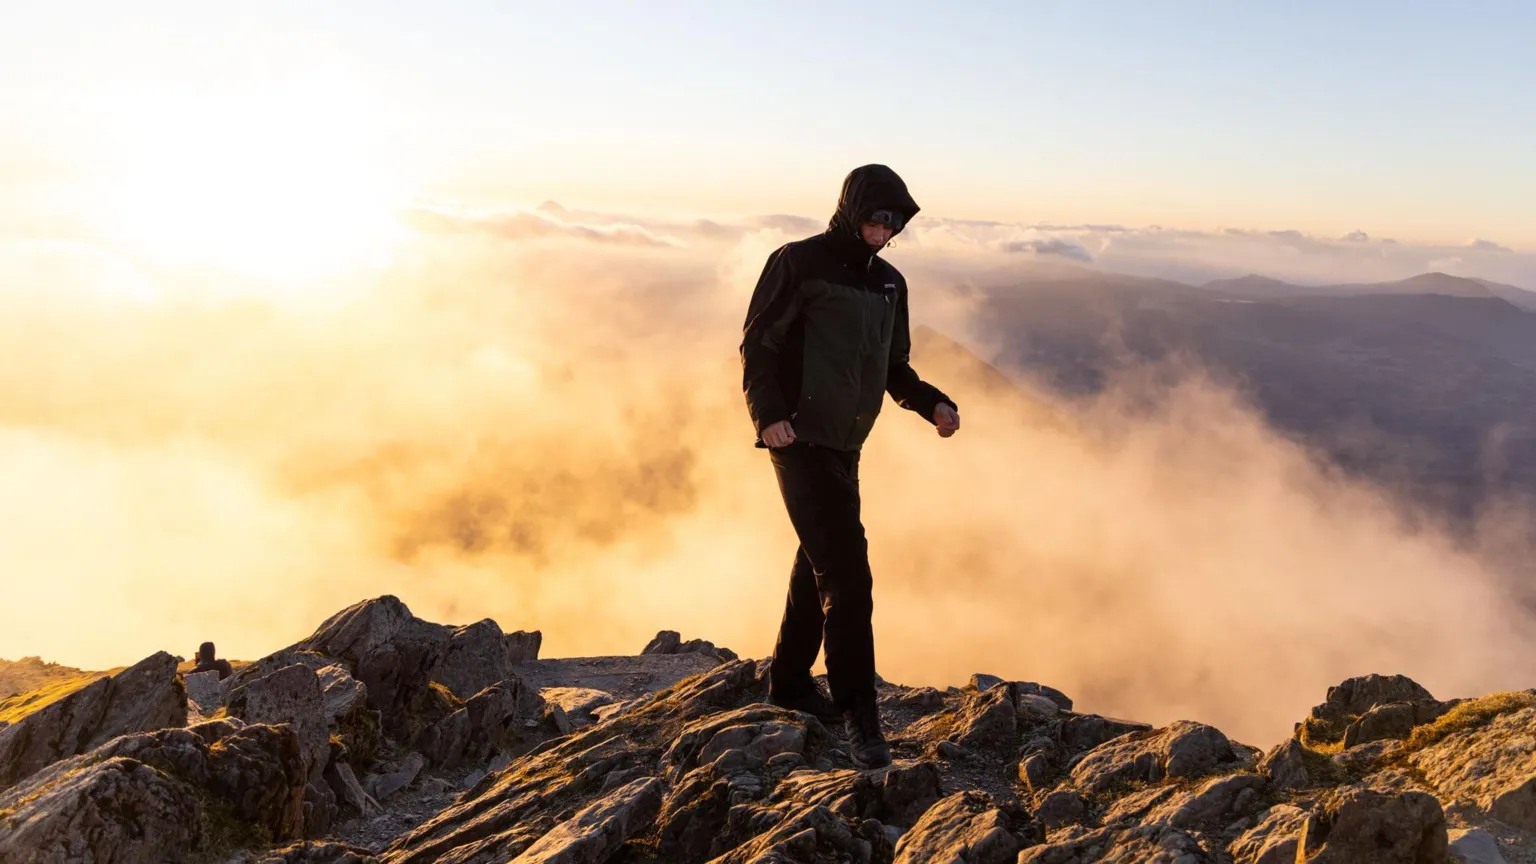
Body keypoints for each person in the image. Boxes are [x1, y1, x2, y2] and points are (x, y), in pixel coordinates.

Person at [740, 164, 960, 768]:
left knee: (820, 558)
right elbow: (759, 344)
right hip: (798, 438)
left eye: (895, 221)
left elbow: (894, 368)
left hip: (846, 444)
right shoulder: (798, 262)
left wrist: (932, 403)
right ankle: (861, 718)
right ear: (852, 208)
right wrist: (768, 415)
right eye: (876, 215)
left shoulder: (891, 284)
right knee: (848, 574)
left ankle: (788, 680)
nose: (884, 229)